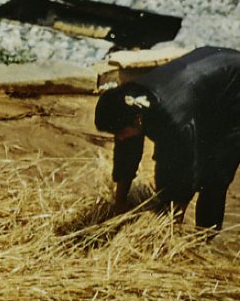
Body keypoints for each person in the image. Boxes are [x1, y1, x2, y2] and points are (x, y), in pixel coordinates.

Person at [94, 46, 240, 229]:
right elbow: (126, 156)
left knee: (215, 173)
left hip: (234, 92)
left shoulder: (175, 121)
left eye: (121, 133)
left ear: (138, 121)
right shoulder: (128, 104)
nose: (120, 138)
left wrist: (170, 224)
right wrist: (120, 202)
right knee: (170, 163)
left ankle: (204, 237)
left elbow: (186, 171)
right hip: (205, 76)